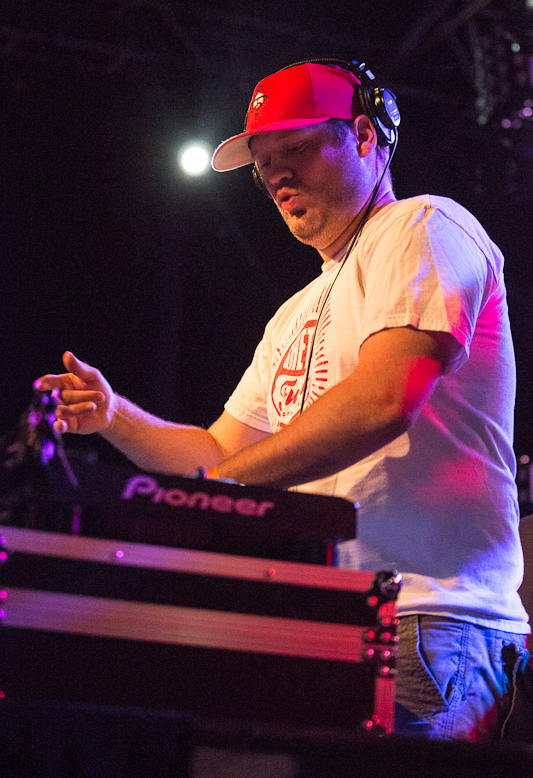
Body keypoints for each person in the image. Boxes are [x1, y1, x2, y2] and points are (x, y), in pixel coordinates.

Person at [36, 59, 529, 741]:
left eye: (295, 148)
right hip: (331, 621)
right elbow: (216, 451)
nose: (275, 176)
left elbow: (384, 398)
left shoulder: (422, 225)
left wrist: (217, 490)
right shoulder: (292, 315)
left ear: (365, 135)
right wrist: (116, 416)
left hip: (430, 620)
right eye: (263, 164)